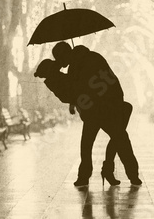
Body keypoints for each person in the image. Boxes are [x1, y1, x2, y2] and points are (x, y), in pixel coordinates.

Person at [36, 42, 141, 187]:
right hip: (103, 106)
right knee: (119, 140)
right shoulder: (87, 59)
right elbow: (78, 89)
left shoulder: (82, 64)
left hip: (104, 107)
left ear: (65, 54)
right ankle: (128, 174)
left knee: (91, 144)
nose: (61, 63)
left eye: (60, 59)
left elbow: (80, 88)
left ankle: (88, 176)